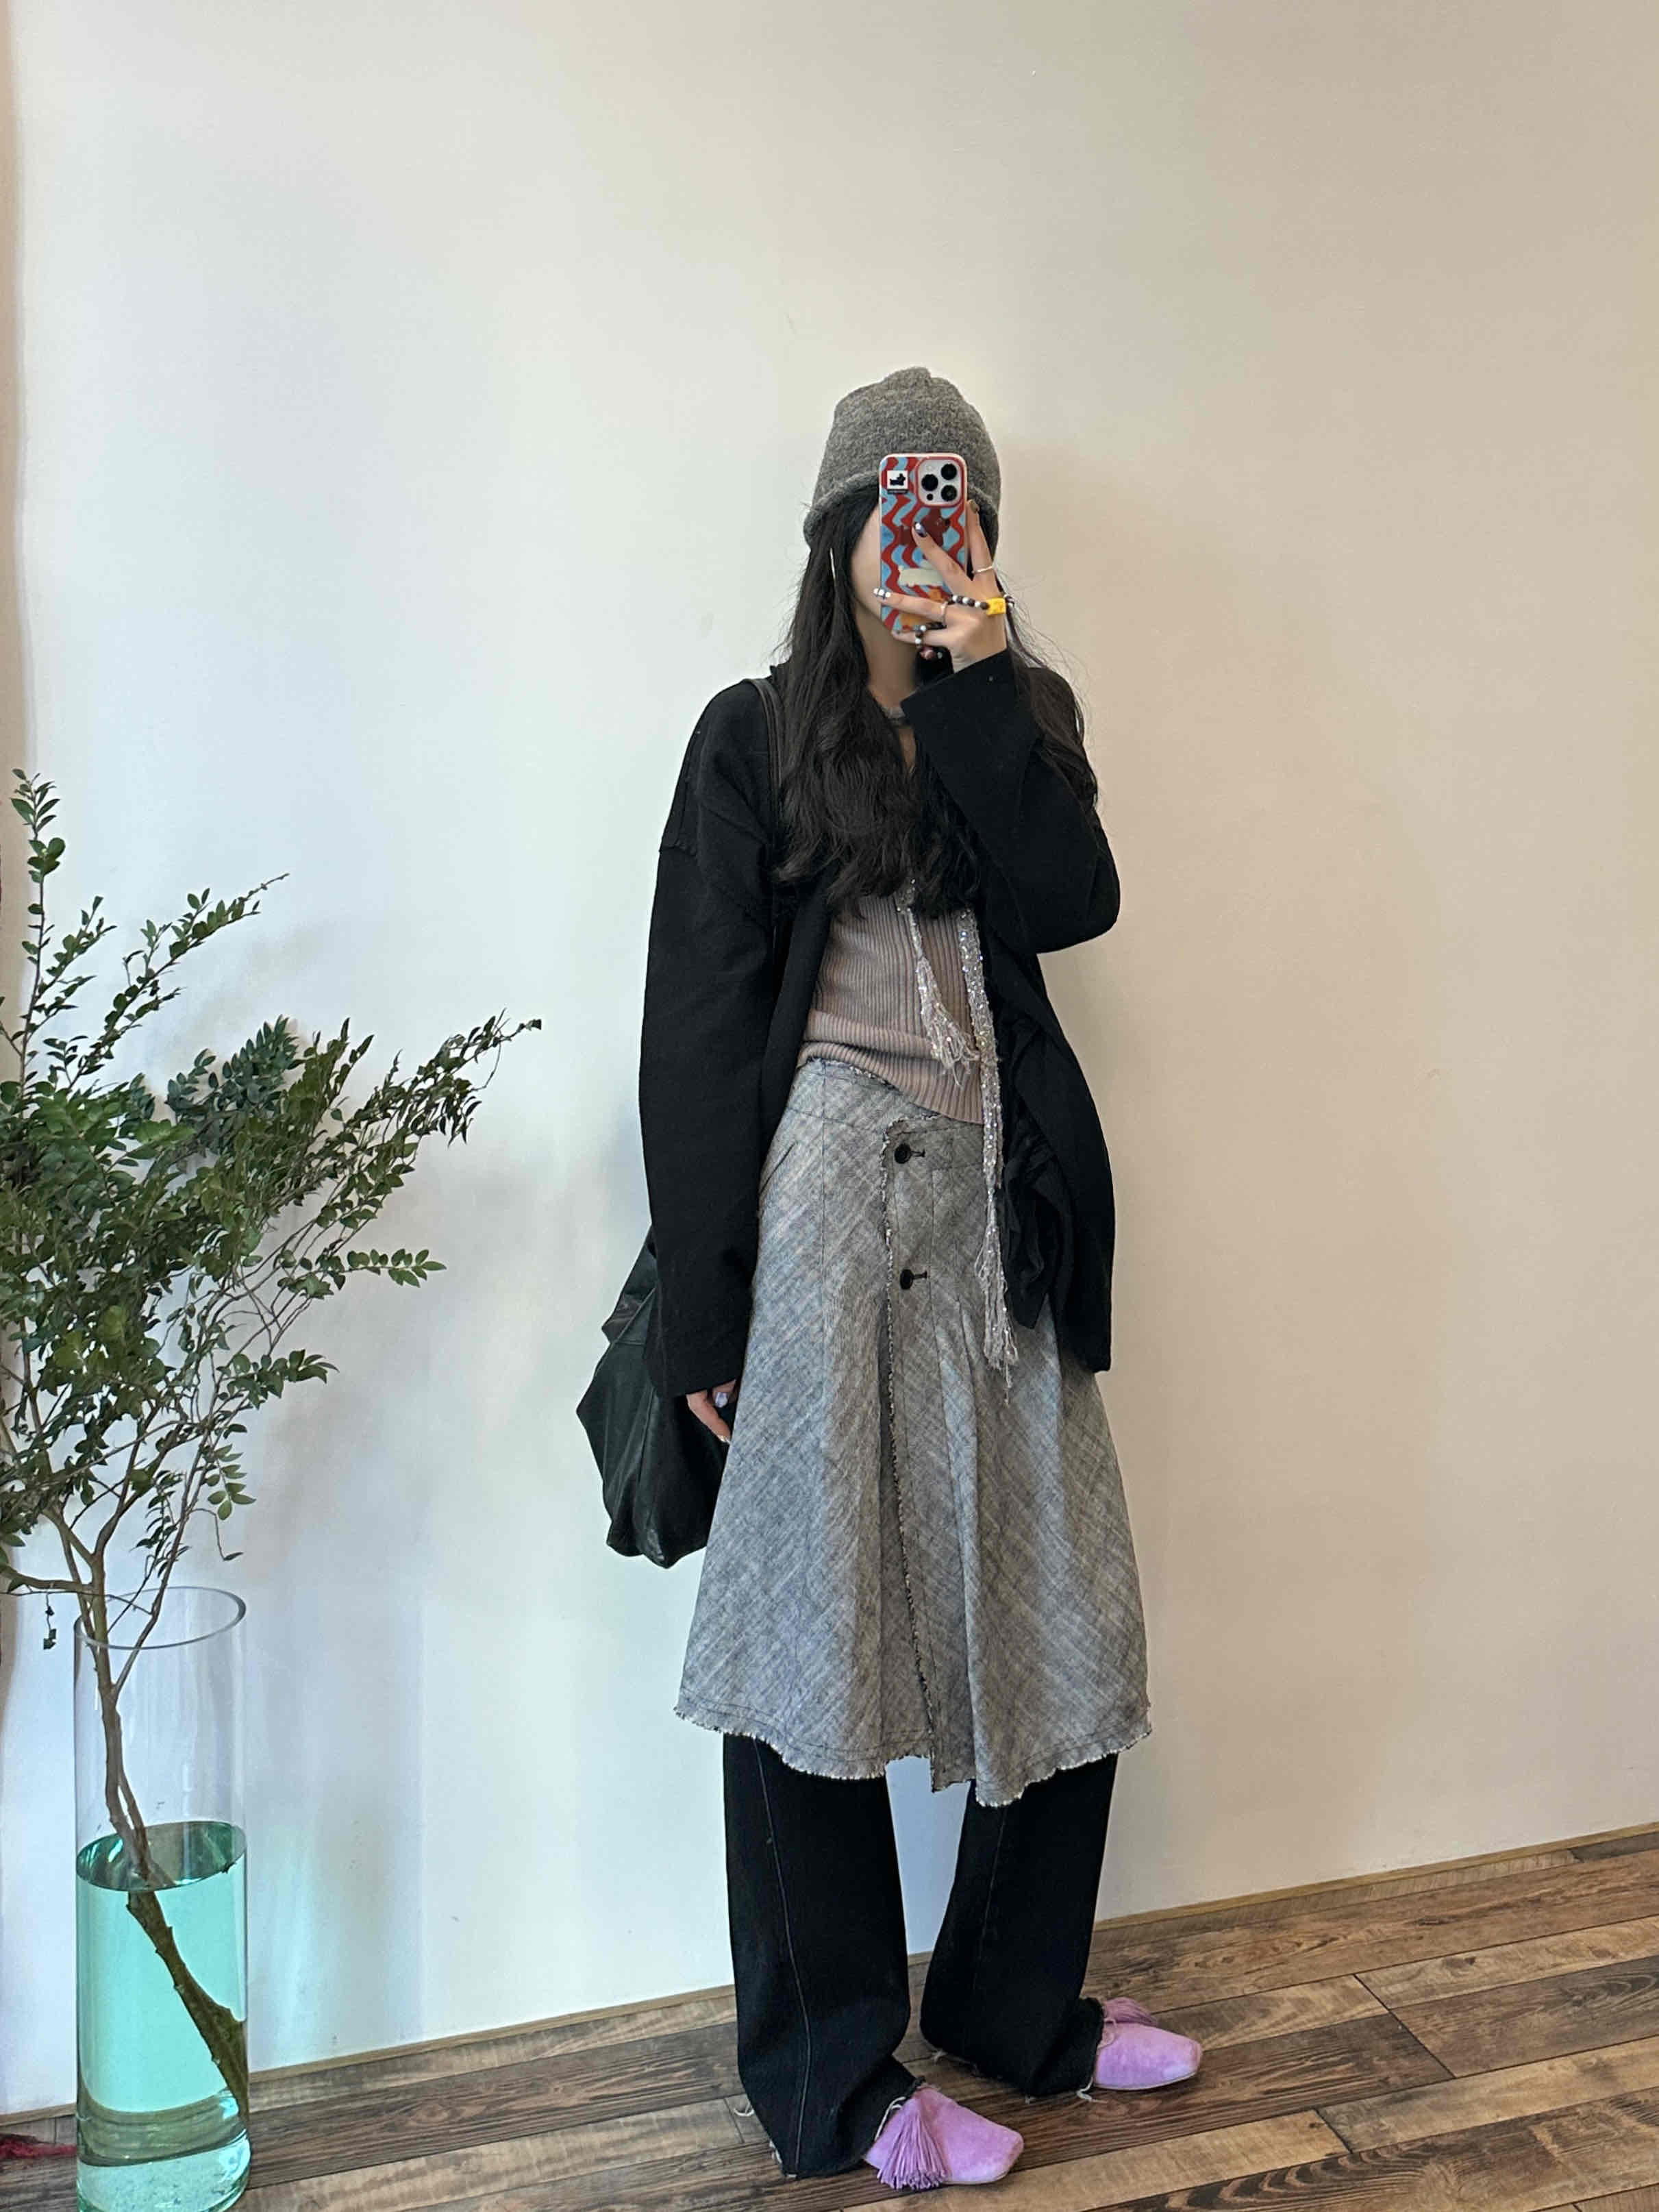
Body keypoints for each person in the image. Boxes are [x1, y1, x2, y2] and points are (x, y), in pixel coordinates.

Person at [637, 366, 1202, 2191]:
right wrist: (706, 1312)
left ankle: (1012, 2011)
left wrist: (977, 676)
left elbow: (1069, 898)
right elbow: (697, 1027)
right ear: (838, 529)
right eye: (892, 502)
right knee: (813, 1642)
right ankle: (836, 2080)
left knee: (1064, 1609)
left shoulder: (1010, 717)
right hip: (820, 1222)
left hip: (997, 1212)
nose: (921, 533)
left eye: (952, 501)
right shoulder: (752, 735)